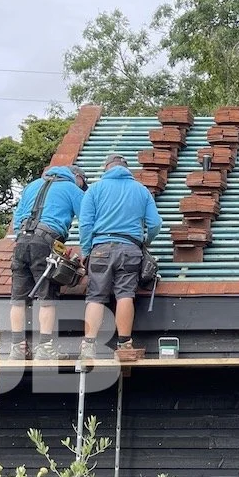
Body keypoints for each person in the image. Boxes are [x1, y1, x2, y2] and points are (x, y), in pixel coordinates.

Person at [78, 153, 162, 360]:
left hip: (100, 248)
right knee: (125, 295)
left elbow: (85, 224)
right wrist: (145, 242)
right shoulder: (141, 190)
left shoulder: (95, 189)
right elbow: (155, 224)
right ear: (127, 170)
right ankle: (124, 344)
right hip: (130, 248)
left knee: (96, 297)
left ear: (107, 168)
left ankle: (89, 346)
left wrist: (87, 251)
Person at [9, 164, 87, 360]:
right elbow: (87, 218)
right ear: (76, 177)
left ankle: (17, 349)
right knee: (47, 297)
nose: (82, 187)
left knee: (18, 299)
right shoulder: (71, 189)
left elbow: (17, 217)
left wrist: (22, 235)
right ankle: (45, 348)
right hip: (45, 243)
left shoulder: (33, 185)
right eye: (83, 183)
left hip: (21, 241)